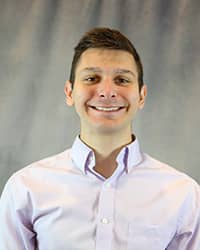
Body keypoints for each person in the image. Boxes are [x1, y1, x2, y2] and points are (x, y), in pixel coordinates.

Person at [0, 27, 200, 250]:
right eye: (91, 78)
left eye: (122, 80)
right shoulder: (25, 189)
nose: (106, 91)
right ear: (69, 92)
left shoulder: (183, 195)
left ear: (141, 96)